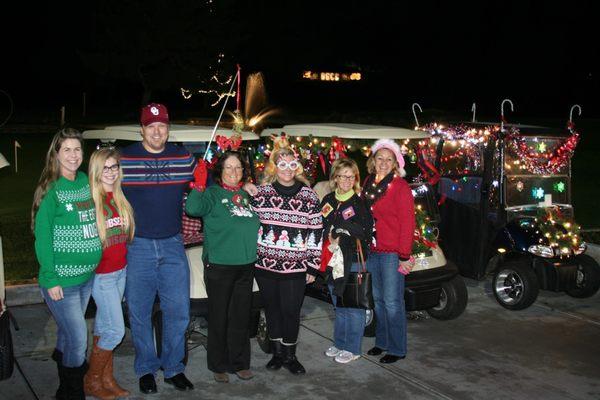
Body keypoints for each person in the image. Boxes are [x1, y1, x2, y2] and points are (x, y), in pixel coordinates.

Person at [121, 103, 196, 393]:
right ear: (142, 129)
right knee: (139, 312)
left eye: (162, 126)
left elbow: (207, 188)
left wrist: (242, 187)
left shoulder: (183, 157)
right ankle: (146, 369)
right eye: (151, 126)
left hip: (172, 245)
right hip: (137, 245)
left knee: (178, 310)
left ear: (168, 128)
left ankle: (174, 367)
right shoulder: (125, 158)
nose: (156, 131)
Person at [32, 128, 103, 400]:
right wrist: (50, 278)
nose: (73, 155)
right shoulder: (50, 189)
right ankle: (73, 392)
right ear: (56, 154)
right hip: (62, 281)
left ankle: (64, 387)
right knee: (78, 339)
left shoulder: (85, 181)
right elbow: (43, 238)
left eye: (77, 149)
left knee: (67, 334)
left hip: (86, 277)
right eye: (67, 150)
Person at [249, 136, 322, 375]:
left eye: (292, 164)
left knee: (291, 311)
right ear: (274, 166)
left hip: (295, 268)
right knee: (272, 310)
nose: (288, 169)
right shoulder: (262, 193)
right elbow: (245, 217)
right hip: (265, 266)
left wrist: (312, 266)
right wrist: (243, 188)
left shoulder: (309, 196)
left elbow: (315, 232)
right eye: (282, 164)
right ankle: (278, 354)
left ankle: (291, 355)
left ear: (297, 167)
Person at [185, 151, 260, 383]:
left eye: (238, 167)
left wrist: (250, 188)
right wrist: (198, 184)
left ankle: (240, 363)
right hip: (220, 265)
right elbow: (193, 209)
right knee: (219, 316)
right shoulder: (212, 194)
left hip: (246, 265)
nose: (233, 172)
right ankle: (218, 364)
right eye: (228, 167)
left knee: (240, 317)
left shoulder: (246, 194)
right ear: (220, 171)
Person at [84, 148, 135, 399]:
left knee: (104, 328)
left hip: (120, 272)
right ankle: (92, 379)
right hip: (102, 276)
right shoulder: (91, 201)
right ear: (96, 170)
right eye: (106, 167)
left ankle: (106, 378)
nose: (111, 172)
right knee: (116, 330)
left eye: (114, 167)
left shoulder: (119, 198)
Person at [362, 139, 415, 364]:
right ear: (373, 160)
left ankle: (397, 347)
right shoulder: (367, 183)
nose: (383, 163)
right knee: (378, 300)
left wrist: (404, 255)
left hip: (392, 252)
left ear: (395, 163)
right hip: (372, 250)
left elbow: (407, 223)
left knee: (393, 302)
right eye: (380, 158)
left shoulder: (400, 186)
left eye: (389, 159)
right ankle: (382, 342)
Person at [320, 158, 373, 364]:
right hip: (332, 261)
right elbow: (320, 224)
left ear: (355, 179)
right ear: (335, 177)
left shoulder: (360, 203)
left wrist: (342, 228)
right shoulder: (328, 200)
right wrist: (329, 235)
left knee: (353, 306)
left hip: (352, 261)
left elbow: (365, 232)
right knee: (339, 305)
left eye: (350, 176)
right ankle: (340, 343)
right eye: (342, 175)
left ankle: (353, 348)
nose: (346, 180)